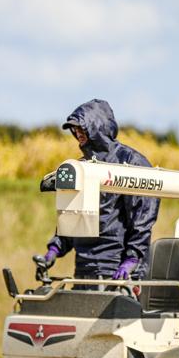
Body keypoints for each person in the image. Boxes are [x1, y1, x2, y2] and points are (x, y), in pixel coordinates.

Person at [36, 99, 160, 282]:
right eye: (74, 129)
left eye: (81, 128)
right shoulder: (81, 168)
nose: (77, 133)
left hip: (118, 271)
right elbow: (72, 216)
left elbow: (142, 218)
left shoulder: (131, 163)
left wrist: (132, 259)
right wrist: (53, 251)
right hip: (83, 269)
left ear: (97, 127)